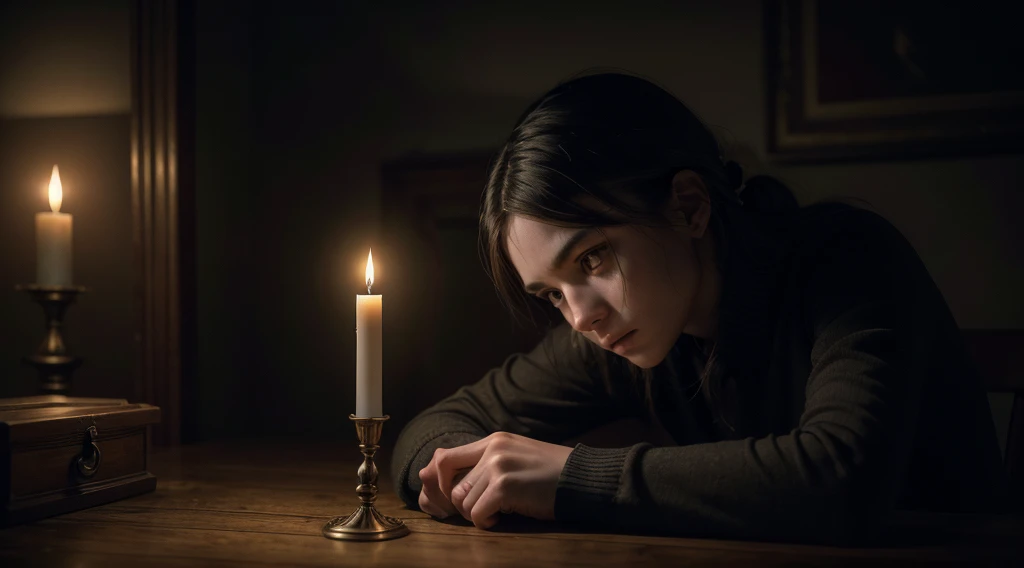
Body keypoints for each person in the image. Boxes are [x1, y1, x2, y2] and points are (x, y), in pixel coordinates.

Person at [390, 72, 1007, 545]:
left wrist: (572, 479)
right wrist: (466, 478)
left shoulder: (849, 259)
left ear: (688, 207)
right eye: (552, 293)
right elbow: (435, 428)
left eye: (594, 258)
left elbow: (842, 478)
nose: (579, 317)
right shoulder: (619, 333)